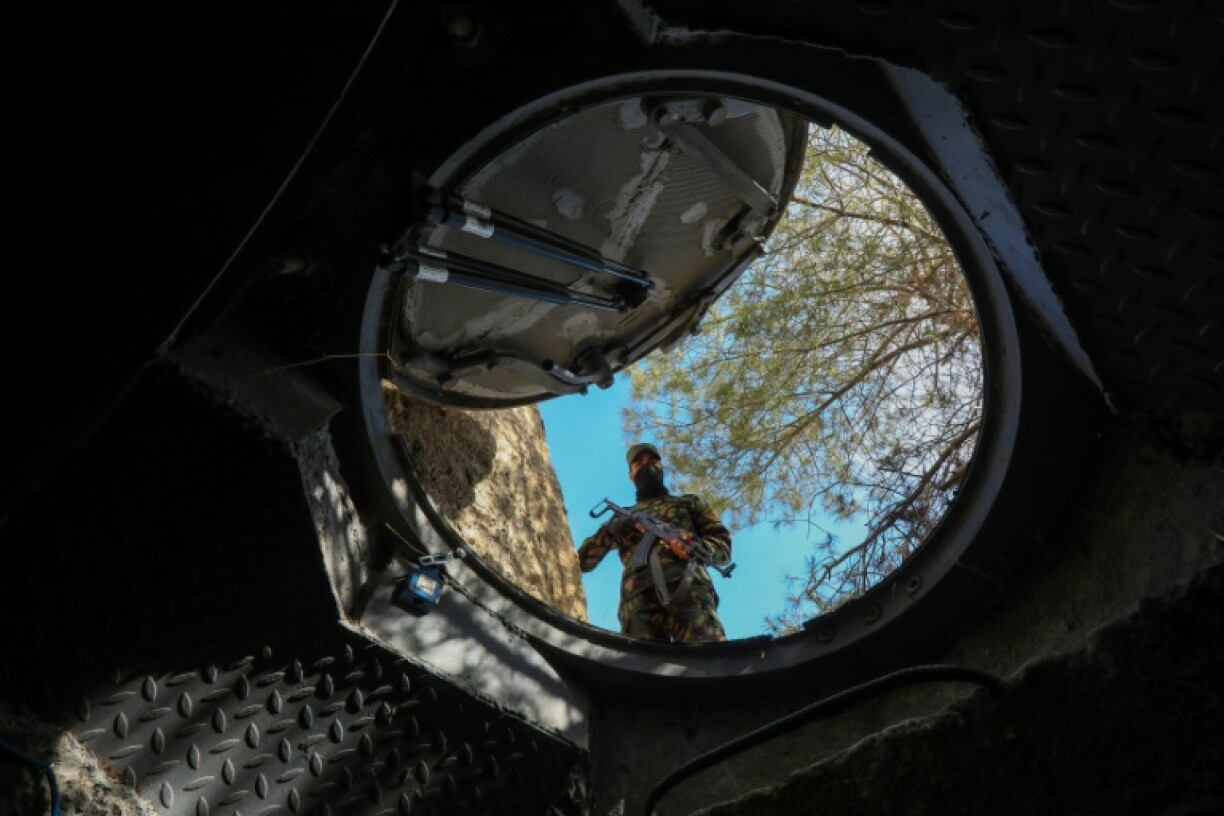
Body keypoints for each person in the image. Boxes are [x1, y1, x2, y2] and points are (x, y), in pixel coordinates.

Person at [576, 442, 732, 643]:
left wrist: (699, 548)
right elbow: (582, 561)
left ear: (661, 468)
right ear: (631, 475)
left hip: (690, 588)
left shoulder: (688, 503)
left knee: (711, 660)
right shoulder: (626, 514)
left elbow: (722, 544)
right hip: (638, 599)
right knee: (640, 665)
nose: (647, 466)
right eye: (639, 463)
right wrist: (612, 530)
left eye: (653, 461)